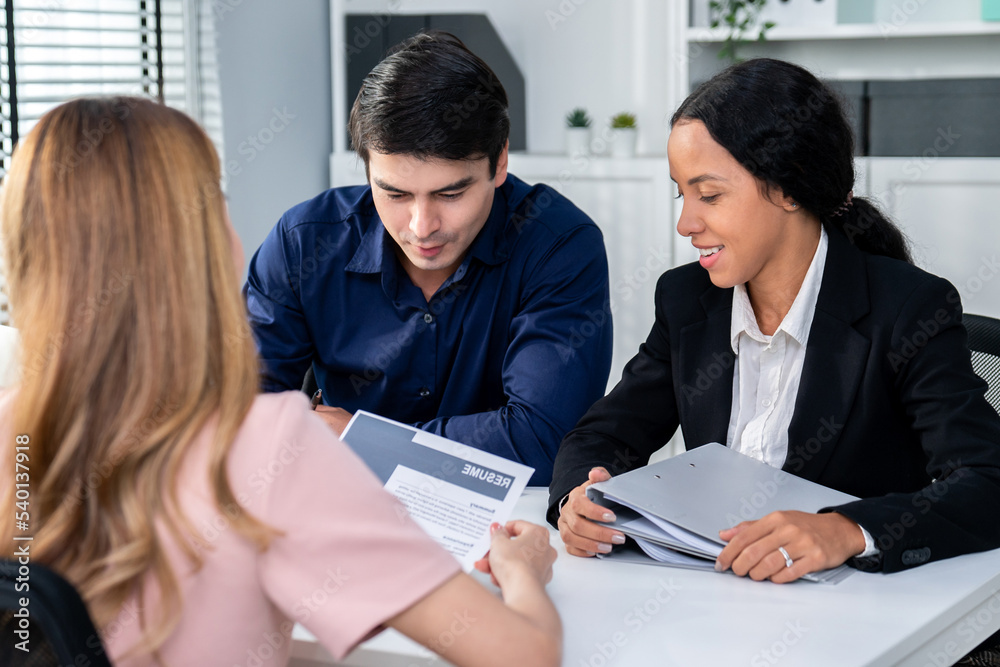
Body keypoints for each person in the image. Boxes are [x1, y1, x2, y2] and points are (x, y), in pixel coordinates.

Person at [0, 97, 561, 667]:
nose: (421, 224)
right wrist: (524, 574)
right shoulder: (268, 446)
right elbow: (526, 655)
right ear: (199, 244)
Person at [549, 57, 1000, 583]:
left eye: (710, 195)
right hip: (715, 596)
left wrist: (847, 529)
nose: (685, 223)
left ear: (789, 188)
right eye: (682, 193)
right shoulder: (686, 300)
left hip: (853, 614)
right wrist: (578, 497)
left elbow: (987, 481)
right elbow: (603, 436)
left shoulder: (908, 309)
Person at [244, 31, 612, 485]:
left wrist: (365, 440)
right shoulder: (303, 243)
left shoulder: (558, 246)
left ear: (499, 163)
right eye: (394, 192)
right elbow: (245, 413)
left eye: (450, 193)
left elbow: (543, 440)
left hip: (507, 528)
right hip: (341, 509)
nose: (421, 226)